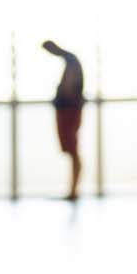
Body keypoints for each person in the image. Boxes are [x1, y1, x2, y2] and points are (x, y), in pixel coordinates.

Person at [42, 39, 85, 200]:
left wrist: (62, 96)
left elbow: (69, 88)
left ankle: (74, 190)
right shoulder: (70, 61)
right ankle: (73, 190)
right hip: (68, 110)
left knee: (73, 150)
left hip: (69, 111)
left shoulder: (71, 61)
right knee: (72, 151)